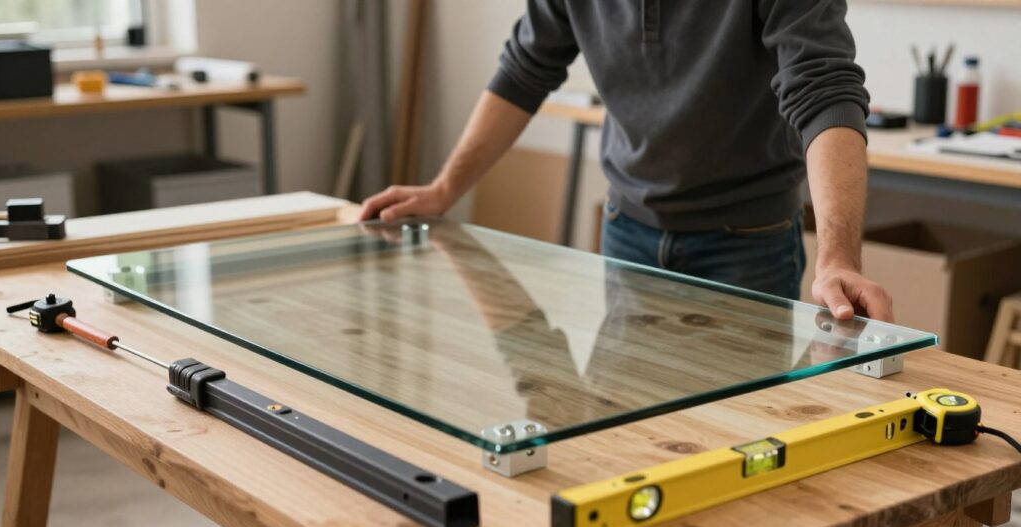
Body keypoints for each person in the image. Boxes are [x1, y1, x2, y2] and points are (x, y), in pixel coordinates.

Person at [360, 0, 894, 322]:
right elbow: (526, 69)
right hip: (628, 229)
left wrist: (838, 259)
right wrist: (445, 188)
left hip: (747, 239)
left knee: (737, 439)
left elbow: (822, 88)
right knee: (624, 429)